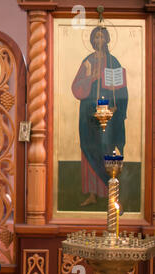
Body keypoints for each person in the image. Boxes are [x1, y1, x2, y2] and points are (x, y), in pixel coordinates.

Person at [71, 26, 128, 207]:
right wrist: (91, 78)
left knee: (106, 147)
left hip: (108, 112)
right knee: (88, 147)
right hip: (88, 112)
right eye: (96, 37)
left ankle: (111, 193)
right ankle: (93, 194)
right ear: (92, 40)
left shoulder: (113, 62)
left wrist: (117, 101)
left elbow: (122, 90)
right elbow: (76, 87)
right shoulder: (87, 61)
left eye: (102, 37)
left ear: (108, 40)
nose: (99, 41)